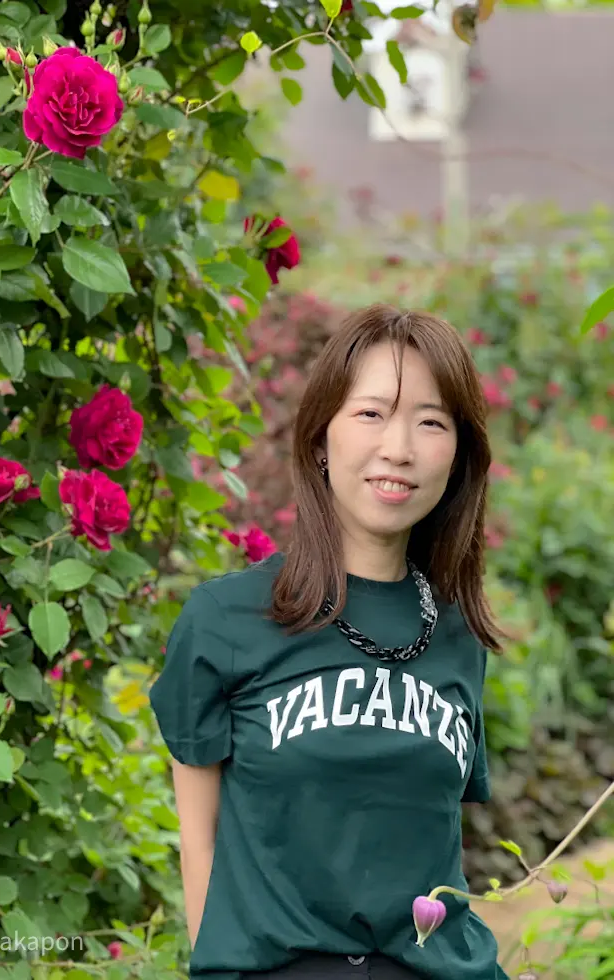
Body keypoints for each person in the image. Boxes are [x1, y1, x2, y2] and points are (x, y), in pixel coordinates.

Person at [149, 303, 510, 980]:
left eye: (430, 422)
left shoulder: (457, 633)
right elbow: (198, 844)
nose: (398, 448)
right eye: (371, 413)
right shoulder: (225, 619)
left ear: (457, 453)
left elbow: (428, 845)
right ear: (321, 437)